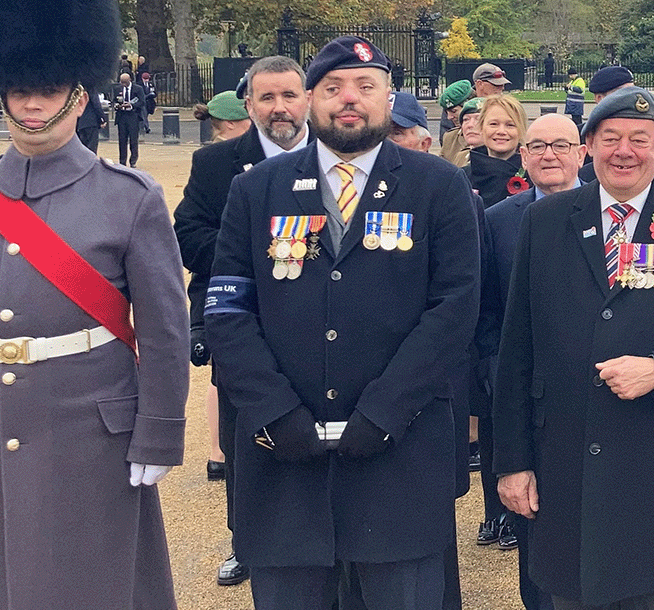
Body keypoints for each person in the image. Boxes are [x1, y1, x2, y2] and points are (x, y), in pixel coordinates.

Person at [0, 0, 187, 606]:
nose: (33, 104)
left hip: (89, 434)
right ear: (0, 93)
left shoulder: (130, 199)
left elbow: (166, 333)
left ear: (79, 98)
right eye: (20, 89)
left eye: (49, 89)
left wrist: (159, 433)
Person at [205, 36, 480, 608]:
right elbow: (228, 310)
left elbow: (455, 309)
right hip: (284, 460)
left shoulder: (438, 186)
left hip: (398, 454)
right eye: (332, 88)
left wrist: (385, 411)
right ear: (309, 99)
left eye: (365, 86)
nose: (348, 99)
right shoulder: (256, 190)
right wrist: (275, 412)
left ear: (390, 97)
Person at [489, 85, 654, 610]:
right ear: (588, 147)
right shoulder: (544, 222)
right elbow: (516, 348)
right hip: (562, 458)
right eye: (610, 138)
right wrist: (511, 461)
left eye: (638, 138)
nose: (624, 151)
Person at [172, 55, 314, 588]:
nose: (279, 108)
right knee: (245, 440)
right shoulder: (216, 164)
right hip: (244, 323)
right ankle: (246, 543)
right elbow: (188, 234)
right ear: (248, 104)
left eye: (288, 96)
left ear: (306, 99)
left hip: (321, 321)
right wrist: (267, 255)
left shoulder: (335, 156)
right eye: (267, 98)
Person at [475, 113, 588, 610]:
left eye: (561, 145)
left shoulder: (617, 215)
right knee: (535, 524)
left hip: (601, 394)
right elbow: (485, 317)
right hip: (524, 399)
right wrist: (501, 383)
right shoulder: (498, 221)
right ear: (522, 156)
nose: (549, 155)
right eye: (537, 146)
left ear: (581, 153)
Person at [467, 94, 530, 203]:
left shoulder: (533, 177)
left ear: (521, 131)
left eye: (510, 125)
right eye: (493, 124)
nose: (501, 131)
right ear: (481, 128)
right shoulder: (463, 177)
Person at [111, 72, 146, 167]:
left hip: (133, 115)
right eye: (122, 82)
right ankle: (122, 161)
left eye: (125, 82)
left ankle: (133, 160)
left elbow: (142, 102)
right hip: (122, 116)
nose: (123, 85)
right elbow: (114, 101)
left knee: (133, 140)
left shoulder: (138, 89)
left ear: (130, 80)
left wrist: (131, 105)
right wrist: (117, 106)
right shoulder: (117, 89)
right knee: (122, 139)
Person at [439, 80, 474, 164]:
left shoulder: (490, 137)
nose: (449, 117)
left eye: (454, 111)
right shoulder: (449, 138)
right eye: (447, 112)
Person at [76, 84, 106, 156]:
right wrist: (102, 118)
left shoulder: (77, 89)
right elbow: (96, 104)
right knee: (92, 147)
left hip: (80, 122)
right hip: (91, 122)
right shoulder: (91, 88)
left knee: (83, 147)